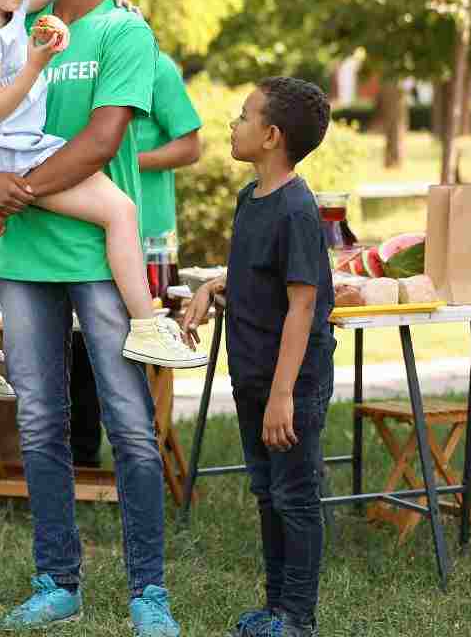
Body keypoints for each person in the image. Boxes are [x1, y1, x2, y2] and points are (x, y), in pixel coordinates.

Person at [0, 0, 180, 634]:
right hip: (25, 258)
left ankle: (149, 592)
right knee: (42, 424)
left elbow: (101, 142)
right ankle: (57, 579)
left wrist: (9, 194)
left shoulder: (124, 33)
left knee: (131, 425)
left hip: (95, 255)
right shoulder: (15, 20)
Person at [0, 0, 205, 403]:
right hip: (13, 150)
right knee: (120, 211)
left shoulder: (7, 12)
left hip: (10, 150)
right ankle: (145, 324)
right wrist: (38, 63)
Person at [181, 78, 335, 637]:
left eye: (244, 116)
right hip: (251, 376)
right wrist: (211, 288)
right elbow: (256, 273)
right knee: (268, 493)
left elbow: (301, 306)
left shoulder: (297, 209)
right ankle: (275, 609)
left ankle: (298, 618)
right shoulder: (252, 199)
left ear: (271, 136)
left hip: (290, 384)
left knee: (295, 496)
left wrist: (282, 397)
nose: (233, 124)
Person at [71, 0, 204, 468]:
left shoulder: (155, 64)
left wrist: (119, 162)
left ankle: (144, 456)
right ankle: (83, 456)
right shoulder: (62, 60)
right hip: (83, 222)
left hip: (146, 233)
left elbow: (191, 145)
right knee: (81, 341)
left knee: (140, 340)